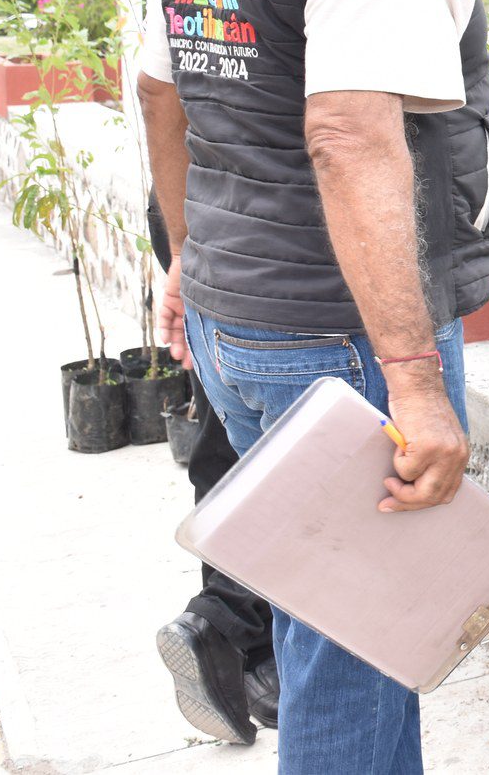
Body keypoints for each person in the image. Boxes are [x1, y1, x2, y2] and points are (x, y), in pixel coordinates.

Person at [138, 0, 489, 774]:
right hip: (335, 334)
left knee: (317, 613)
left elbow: (162, 88)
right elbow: (352, 135)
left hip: (235, 312)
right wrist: (413, 385)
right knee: (357, 643)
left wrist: (184, 260)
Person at [146, 196, 277, 746]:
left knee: (224, 434)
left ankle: (250, 655)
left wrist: (179, 247)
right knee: (290, 459)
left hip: (190, 197)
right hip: (266, 212)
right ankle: (227, 623)